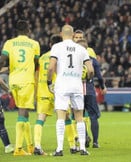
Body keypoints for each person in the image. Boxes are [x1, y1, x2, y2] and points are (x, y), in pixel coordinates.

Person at [0, 20, 40, 156]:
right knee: (23, 112)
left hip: (14, 81)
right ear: (28, 30)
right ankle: (18, 148)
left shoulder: (9, 42)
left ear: (17, 31)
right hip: (26, 80)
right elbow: (37, 63)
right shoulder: (34, 44)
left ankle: (30, 146)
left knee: (24, 112)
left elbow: (2, 60)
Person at [47, 25, 94, 156]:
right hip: (76, 85)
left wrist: (49, 81)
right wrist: (89, 79)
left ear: (61, 34)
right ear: (73, 35)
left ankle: (59, 149)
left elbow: (51, 68)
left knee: (61, 116)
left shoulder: (56, 47)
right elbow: (90, 70)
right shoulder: (81, 48)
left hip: (62, 84)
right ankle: (83, 149)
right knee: (79, 117)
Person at [33, 34, 78, 155]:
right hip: (59, 90)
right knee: (66, 117)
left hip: (43, 91)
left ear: (50, 44)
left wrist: (36, 90)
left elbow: (36, 75)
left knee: (41, 118)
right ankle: (73, 146)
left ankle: (37, 145)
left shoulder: (42, 57)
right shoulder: (61, 56)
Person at [75, 39, 106, 148]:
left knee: (79, 116)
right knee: (93, 117)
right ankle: (96, 142)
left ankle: (86, 137)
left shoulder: (73, 60)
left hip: (77, 91)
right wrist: (102, 87)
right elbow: (99, 76)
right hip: (89, 91)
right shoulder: (92, 60)